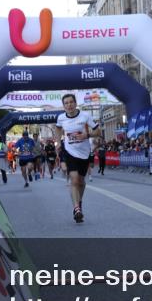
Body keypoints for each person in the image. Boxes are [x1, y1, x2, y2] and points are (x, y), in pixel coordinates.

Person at [55, 93, 100, 223]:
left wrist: (87, 135)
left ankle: (79, 203)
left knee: (81, 181)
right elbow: (57, 129)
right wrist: (58, 142)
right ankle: (76, 209)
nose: (69, 105)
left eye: (71, 102)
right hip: (70, 152)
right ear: (63, 106)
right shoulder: (61, 118)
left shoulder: (85, 116)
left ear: (75, 103)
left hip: (84, 153)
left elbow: (98, 131)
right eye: (66, 103)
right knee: (74, 180)